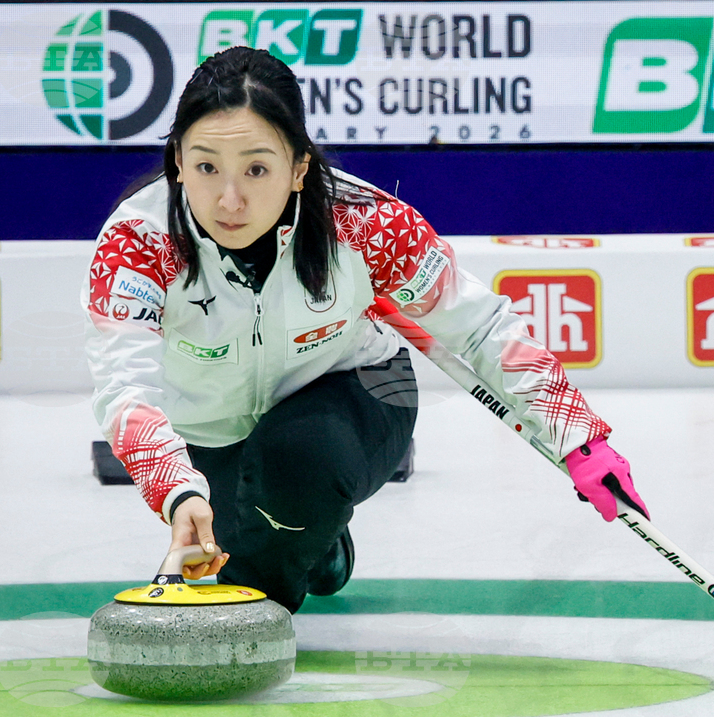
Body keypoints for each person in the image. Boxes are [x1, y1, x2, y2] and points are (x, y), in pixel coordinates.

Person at [83, 46, 649, 614]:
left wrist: (580, 440)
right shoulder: (138, 242)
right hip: (210, 432)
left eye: (257, 168)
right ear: (177, 160)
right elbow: (126, 387)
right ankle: (316, 540)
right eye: (206, 167)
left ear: (299, 167)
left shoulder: (366, 223)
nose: (230, 199)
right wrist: (176, 488)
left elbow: (480, 329)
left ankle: (301, 530)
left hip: (361, 388)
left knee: (278, 524)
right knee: (257, 527)